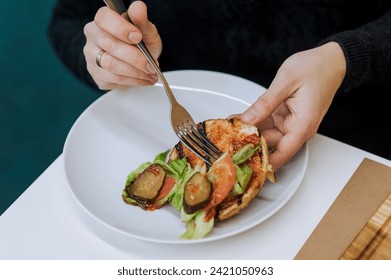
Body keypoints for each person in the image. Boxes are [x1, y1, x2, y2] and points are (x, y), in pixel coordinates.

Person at [48, 0, 391, 170]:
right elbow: (68, 20)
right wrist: (106, 56)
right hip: (168, 125)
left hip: (350, 136)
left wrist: (347, 57)